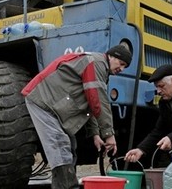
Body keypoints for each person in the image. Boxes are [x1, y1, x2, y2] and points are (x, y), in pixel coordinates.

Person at [21, 44, 132, 189]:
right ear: (111, 56)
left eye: (125, 66)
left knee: (70, 147)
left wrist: (95, 134)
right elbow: (98, 101)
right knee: (60, 146)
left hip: (55, 106)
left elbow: (90, 103)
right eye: (121, 63)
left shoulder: (100, 68)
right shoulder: (96, 62)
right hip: (42, 101)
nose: (121, 69)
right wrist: (109, 135)